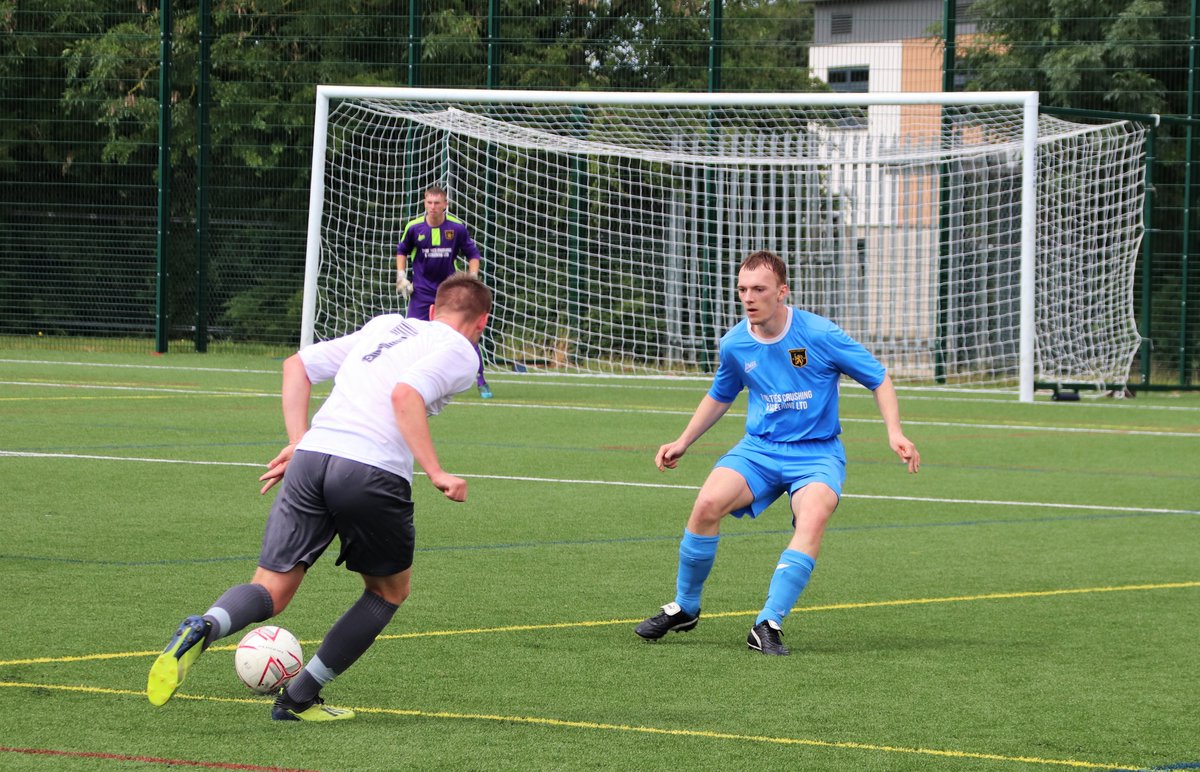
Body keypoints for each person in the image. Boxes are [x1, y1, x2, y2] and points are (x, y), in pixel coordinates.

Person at [146, 274, 492, 720]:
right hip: (370, 469)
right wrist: (437, 471)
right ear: (481, 322)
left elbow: (297, 365)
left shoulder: (386, 324)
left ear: (430, 310)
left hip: (311, 458)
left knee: (269, 589)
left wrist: (298, 440)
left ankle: (206, 625)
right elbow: (405, 394)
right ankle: (298, 698)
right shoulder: (463, 351)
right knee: (387, 592)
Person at [635, 250, 920, 656]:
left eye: (759, 289)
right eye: (742, 290)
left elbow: (878, 377)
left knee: (814, 514)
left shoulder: (819, 334)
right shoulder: (734, 343)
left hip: (816, 454)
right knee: (706, 504)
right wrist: (683, 441)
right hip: (759, 450)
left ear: (781, 292)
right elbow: (721, 394)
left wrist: (895, 432)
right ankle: (685, 606)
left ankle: (768, 622)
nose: (749, 297)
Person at [396, 184, 492, 399]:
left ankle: (481, 380)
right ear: (424, 203)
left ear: (445, 205)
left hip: (450, 295)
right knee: (411, 334)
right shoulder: (414, 228)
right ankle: (405, 377)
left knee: (464, 334)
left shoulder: (456, 228)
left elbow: (473, 255)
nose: (433, 207)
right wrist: (401, 276)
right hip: (421, 292)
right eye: (429, 202)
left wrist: (472, 278)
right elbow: (401, 250)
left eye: (437, 203)